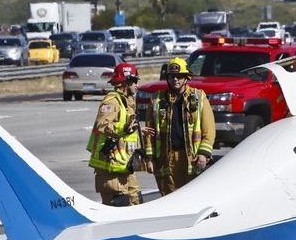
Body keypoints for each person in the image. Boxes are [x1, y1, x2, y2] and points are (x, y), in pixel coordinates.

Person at [143, 57, 216, 195]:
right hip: (165, 159)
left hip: (191, 158)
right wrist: (149, 158)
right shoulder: (157, 100)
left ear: (186, 77)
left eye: (179, 76)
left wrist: (203, 153)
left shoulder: (199, 97)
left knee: (193, 197)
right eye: (171, 76)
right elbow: (149, 133)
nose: (175, 79)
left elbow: (209, 129)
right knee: (169, 197)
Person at [87, 63, 143, 206]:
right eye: (135, 81)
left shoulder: (126, 101)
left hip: (124, 165)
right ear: (126, 82)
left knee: (136, 200)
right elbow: (102, 124)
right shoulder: (112, 101)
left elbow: (125, 129)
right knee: (119, 205)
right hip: (109, 166)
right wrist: (123, 127)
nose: (137, 85)